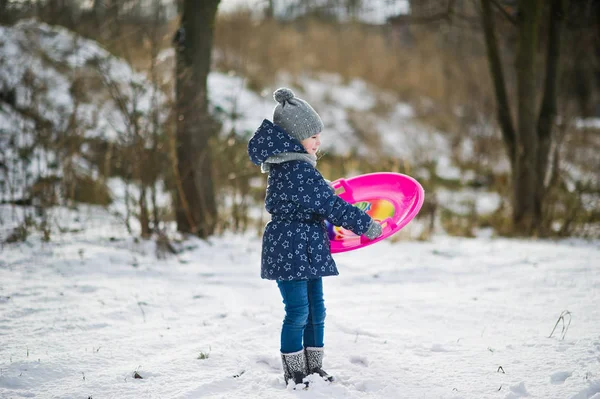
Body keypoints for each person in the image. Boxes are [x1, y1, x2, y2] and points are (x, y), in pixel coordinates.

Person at [248, 87, 383, 387]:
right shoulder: (297, 170)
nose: (318, 141)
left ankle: (312, 367)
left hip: (306, 244)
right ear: (295, 138)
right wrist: (366, 225)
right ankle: (293, 370)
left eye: (318, 134)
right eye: (312, 135)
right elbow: (331, 205)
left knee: (316, 309)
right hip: (290, 245)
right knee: (298, 311)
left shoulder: (297, 167)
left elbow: (321, 200)